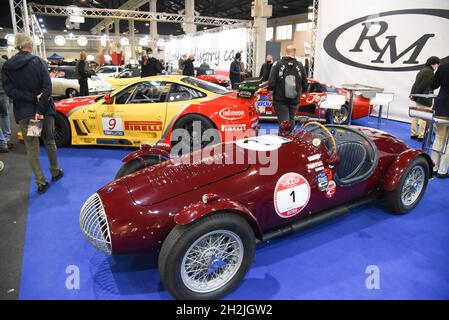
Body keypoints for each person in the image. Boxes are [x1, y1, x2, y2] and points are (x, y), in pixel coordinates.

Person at [2, 33, 63, 194]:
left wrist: (31, 101)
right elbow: (47, 89)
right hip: (42, 112)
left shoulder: (8, 66)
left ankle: (40, 181)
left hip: (26, 113)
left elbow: (10, 91)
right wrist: (40, 110)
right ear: (29, 44)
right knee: (49, 141)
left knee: (32, 147)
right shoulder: (39, 62)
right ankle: (55, 171)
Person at [268, 45, 307, 131]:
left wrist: (270, 93)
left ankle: (284, 141)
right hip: (295, 99)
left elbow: (271, 82)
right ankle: (291, 140)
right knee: (292, 119)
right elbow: (305, 83)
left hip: (280, 99)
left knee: (284, 123)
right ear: (294, 53)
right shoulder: (300, 66)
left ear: (285, 52)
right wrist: (301, 92)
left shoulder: (277, 64)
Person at [410, 56, 440, 140]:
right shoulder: (430, 72)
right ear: (433, 64)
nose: (437, 66)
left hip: (418, 96)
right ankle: (421, 135)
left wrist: (413, 94)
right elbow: (424, 85)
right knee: (425, 117)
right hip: (425, 97)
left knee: (416, 115)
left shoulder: (422, 70)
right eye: (437, 64)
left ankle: (413, 133)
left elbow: (416, 83)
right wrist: (417, 94)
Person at [430, 62, 449, 178]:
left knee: (439, 138)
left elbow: (433, 85)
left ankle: (433, 167)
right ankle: (442, 170)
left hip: (442, 106)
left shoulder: (443, 66)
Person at [0, 55, 12, 153]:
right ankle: (7, 138)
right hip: (3, 93)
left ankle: (2, 143)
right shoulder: (4, 62)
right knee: (5, 115)